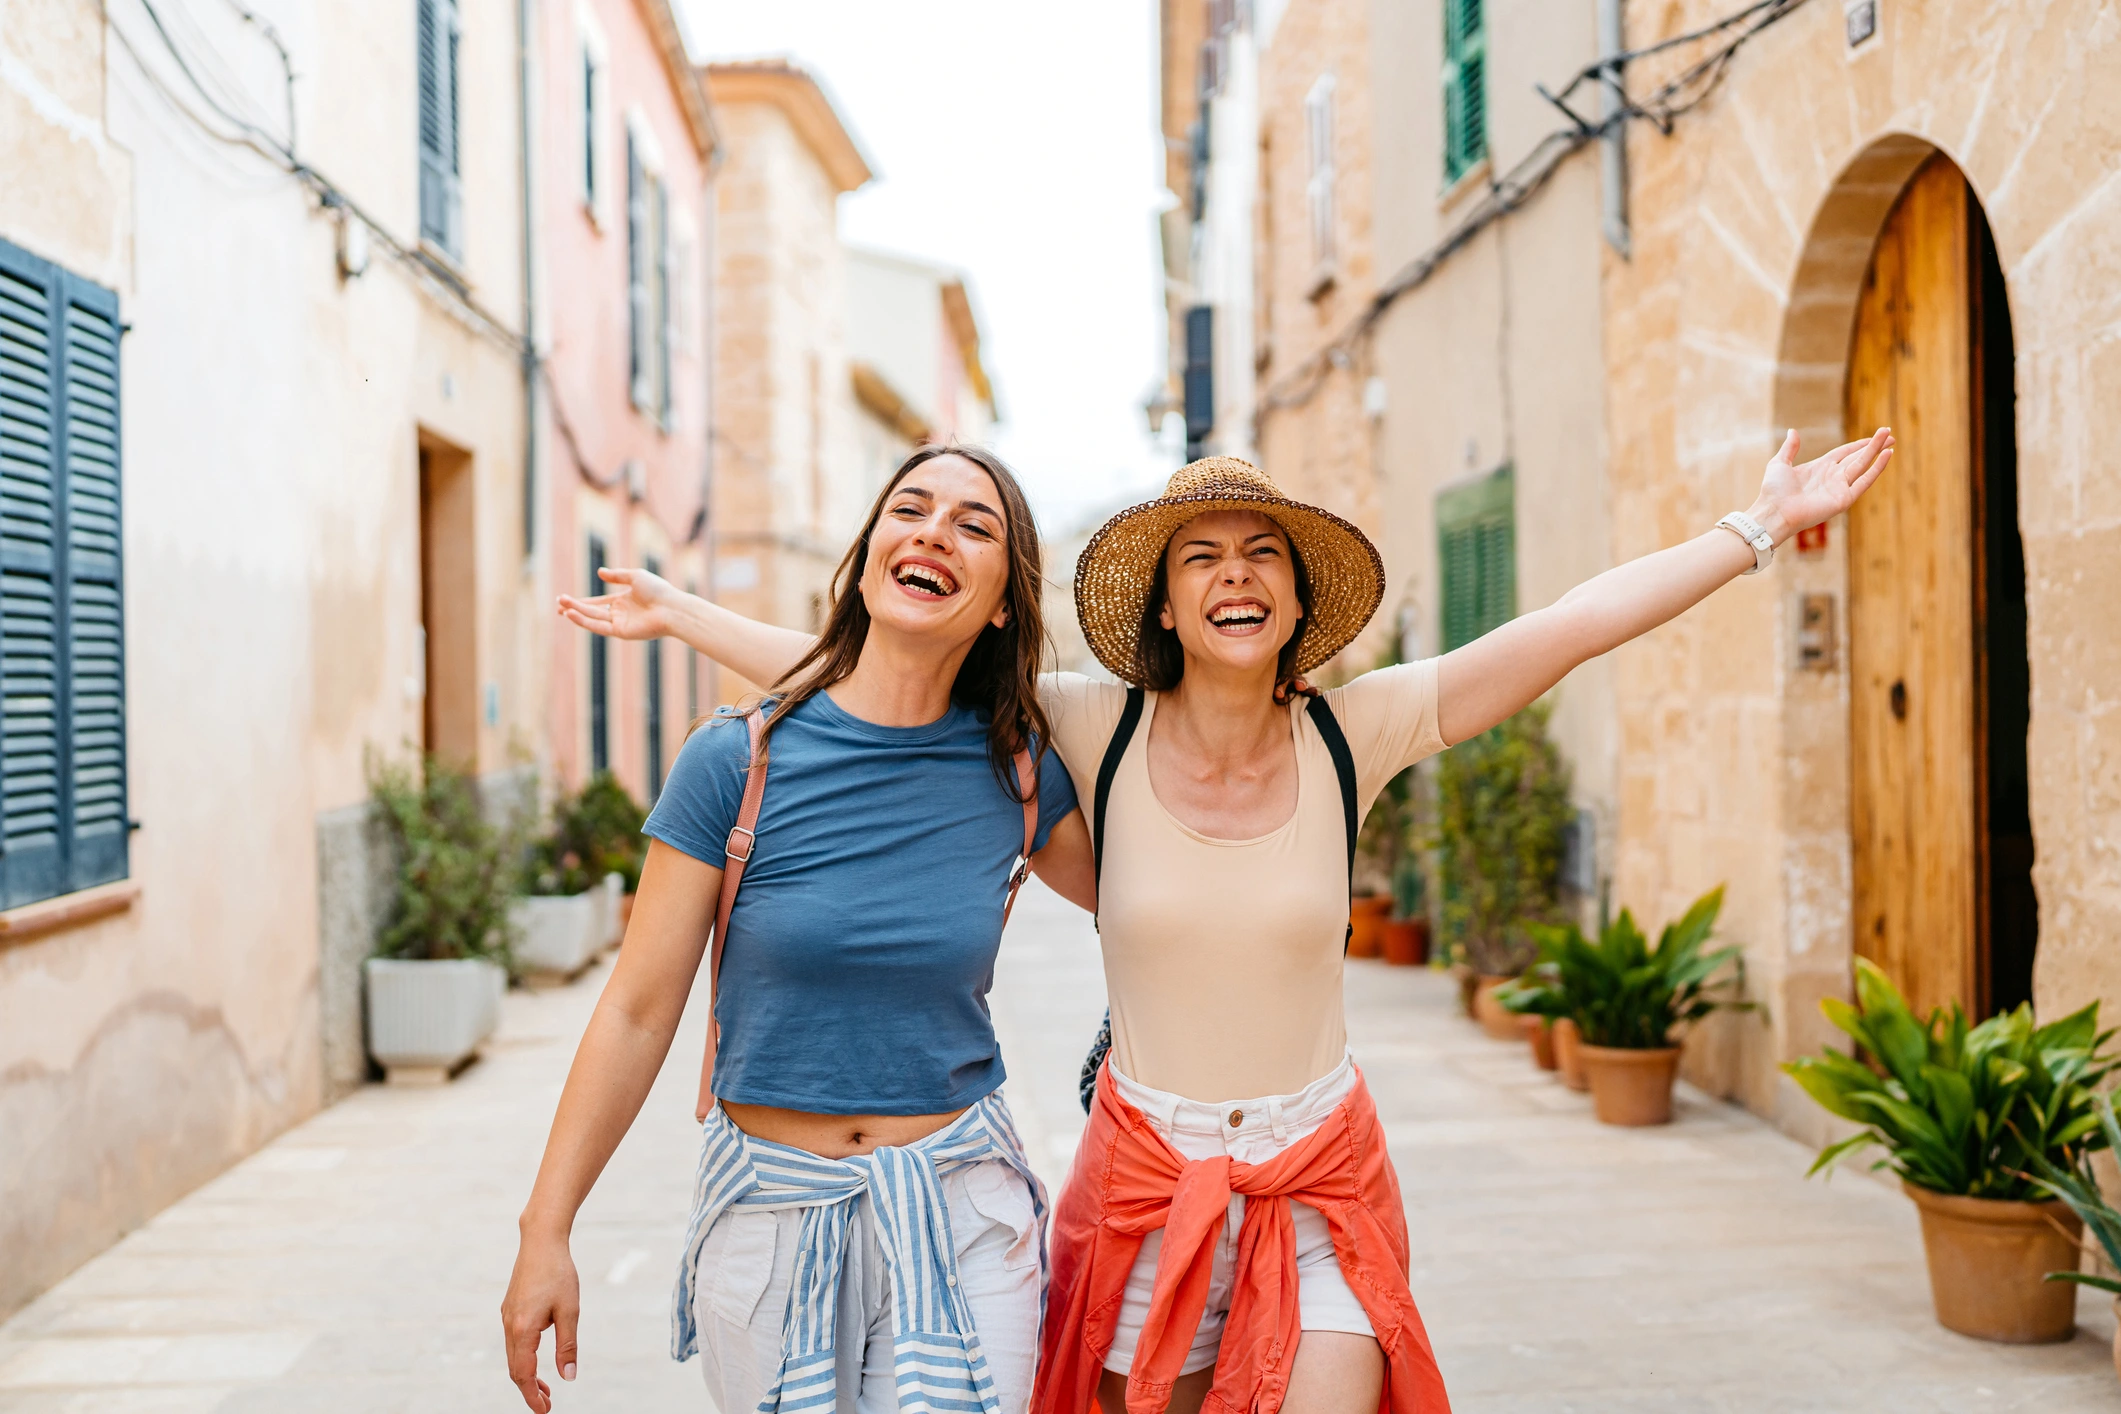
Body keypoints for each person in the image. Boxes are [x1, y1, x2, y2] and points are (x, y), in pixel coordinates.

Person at [558, 428, 1895, 1414]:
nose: (1236, 574)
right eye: (1202, 557)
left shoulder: (1354, 729)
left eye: (1265, 556)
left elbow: (1562, 629)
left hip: (1319, 1170)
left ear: (1301, 601)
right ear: (1165, 602)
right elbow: (897, 662)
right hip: (1146, 1176)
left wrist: (1756, 528)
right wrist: (686, 619)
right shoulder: (1088, 721)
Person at [501, 445, 1098, 1414]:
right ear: (868, 560)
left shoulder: (1020, 769)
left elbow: (1150, 913)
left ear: (1000, 602)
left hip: (961, 1209)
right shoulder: (734, 760)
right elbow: (637, 1012)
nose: (935, 530)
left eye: (974, 524)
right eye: (909, 508)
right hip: (768, 1216)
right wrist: (546, 1228)